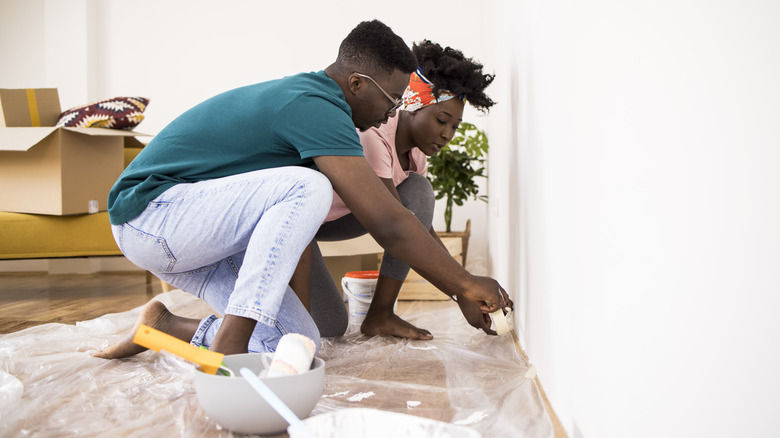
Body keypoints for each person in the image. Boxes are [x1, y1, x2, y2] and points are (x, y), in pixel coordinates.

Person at [94, 20, 511, 361]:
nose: (391, 112)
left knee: (302, 343)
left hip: (203, 238)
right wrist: (466, 282)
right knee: (308, 185)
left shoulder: (334, 113)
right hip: (150, 216)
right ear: (358, 83)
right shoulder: (313, 106)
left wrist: (461, 286)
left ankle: (161, 327)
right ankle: (229, 347)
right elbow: (388, 221)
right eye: (392, 99)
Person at [304, 40, 497, 340]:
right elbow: (398, 227)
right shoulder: (373, 136)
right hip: (300, 225)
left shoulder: (417, 155)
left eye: (456, 126)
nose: (447, 134)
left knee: (418, 192)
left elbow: (419, 229)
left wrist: (462, 295)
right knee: (329, 327)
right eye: (441, 120)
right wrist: (465, 285)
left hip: (337, 220)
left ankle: (381, 314)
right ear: (411, 106)